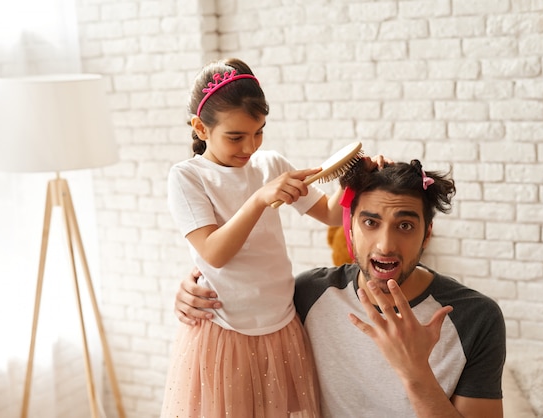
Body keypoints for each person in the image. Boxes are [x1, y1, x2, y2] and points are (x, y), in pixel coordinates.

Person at [174, 159, 506, 418]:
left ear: (427, 233)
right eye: (370, 222)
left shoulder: (476, 318)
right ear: (349, 225)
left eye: (405, 225)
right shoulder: (308, 296)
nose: (385, 245)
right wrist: (191, 290)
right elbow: (245, 295)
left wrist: (415, 372)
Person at [161, 57, 355, 418]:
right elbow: (214, 252)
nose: (250, 147)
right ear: (200, 128)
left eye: (259, 131)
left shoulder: (271, 165)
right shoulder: (188, 178)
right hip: (225, 330)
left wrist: (354, 181)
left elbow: (330, 214)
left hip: (279, 324)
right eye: (235, 136)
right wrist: (260, 198)